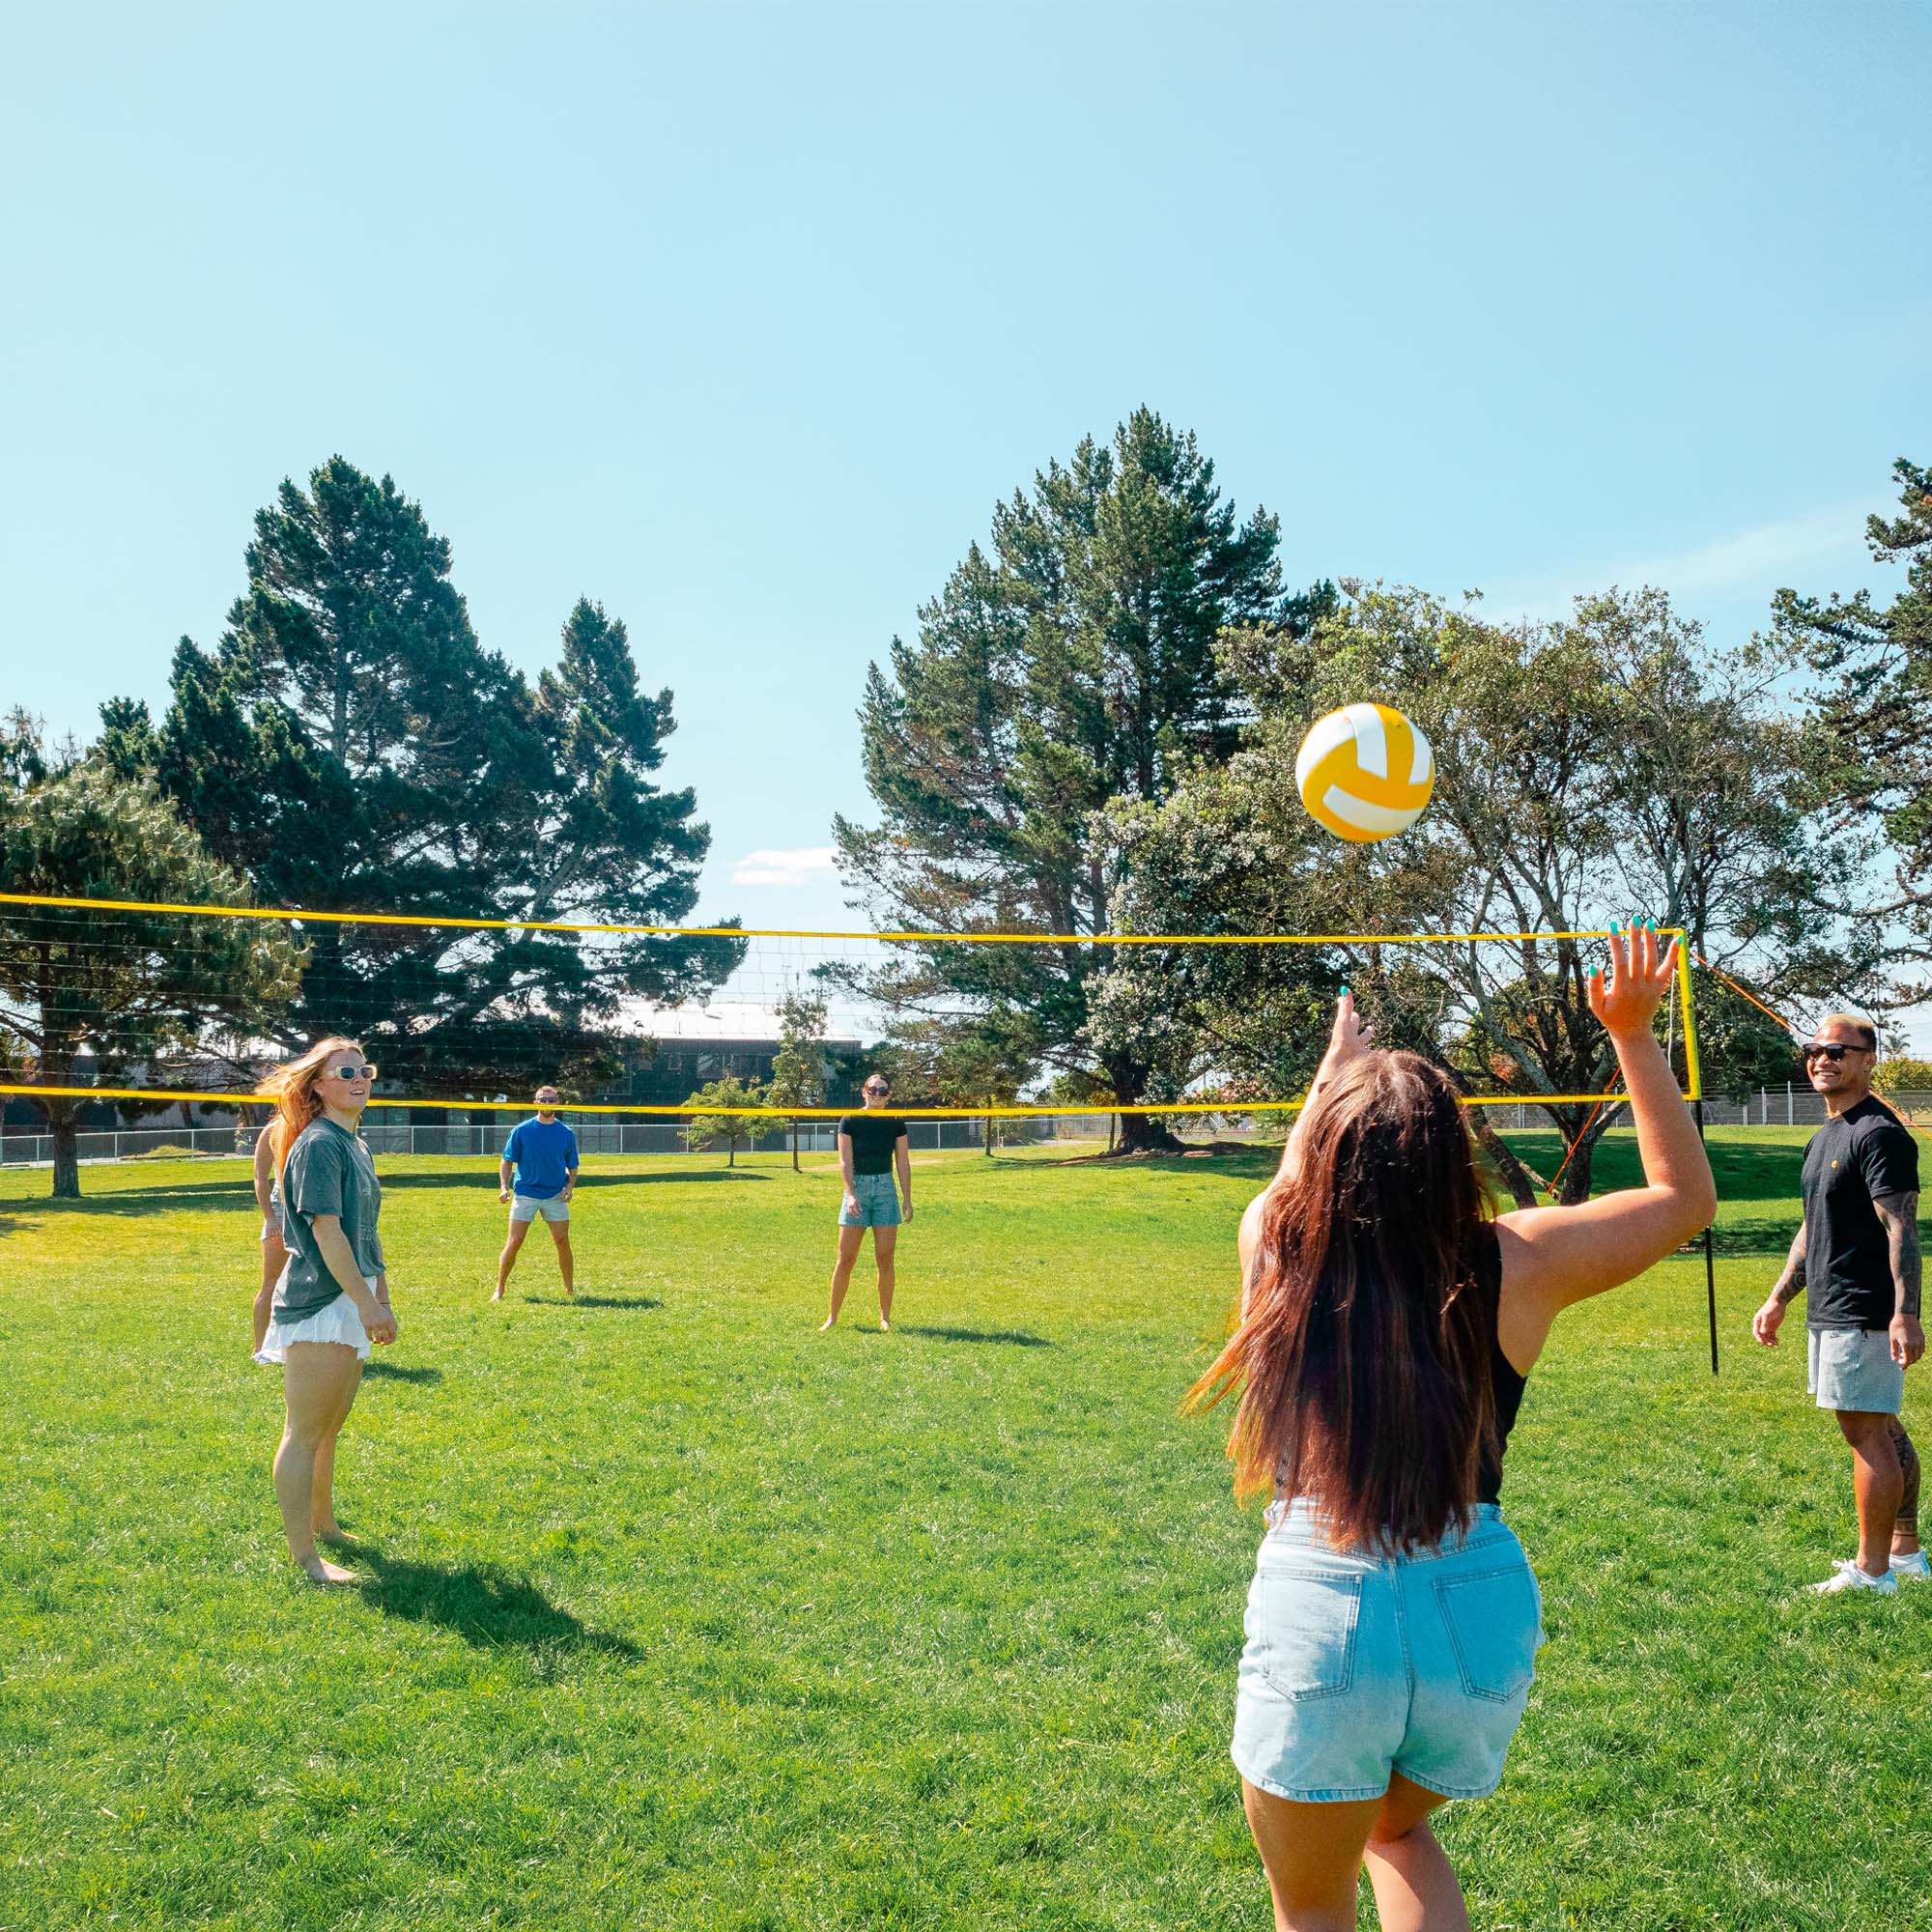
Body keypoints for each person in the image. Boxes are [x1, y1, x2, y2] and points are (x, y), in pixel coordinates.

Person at [1192, 927, 1715, 1932]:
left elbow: (1295, 1179)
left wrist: (1332, 1074)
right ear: (1452, 1153)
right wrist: (1634, 1035)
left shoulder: (1275, 1250)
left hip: (1324, 1594)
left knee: (1311, 1906)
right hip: (1474, 1598)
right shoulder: (1518, 1259)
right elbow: (1680, 1198)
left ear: (1331, 1149)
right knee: (1394, 1833)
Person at [1751, 1013, 1926, 1592]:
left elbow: (1901, 1225)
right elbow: (1812, 1226)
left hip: (1864, 1308)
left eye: (1838, 1051)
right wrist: (1779, 1297)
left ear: (1868, 1059)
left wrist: (1905, 1314)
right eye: (1814, 1050)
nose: (1822, 1059)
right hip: (1830, 1304)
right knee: (1882, 1425)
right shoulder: (1826, 1134)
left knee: (1865, 1432)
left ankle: (1872, 1573)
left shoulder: (1877, 1132)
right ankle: (1904, 1553)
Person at [253, 1037, 397, 1585]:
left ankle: (325, 1525)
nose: (360, 1080)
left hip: (349, 1296)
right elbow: (326, 1228)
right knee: (305, 1431)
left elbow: (367, 1231)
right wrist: (365, 1304)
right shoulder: (318, 1144)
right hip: (321, 1300)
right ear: (317, 1085)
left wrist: (379, 1294)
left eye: (366, 1071)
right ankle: (306, 1559)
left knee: (330, 1427)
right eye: (345, 1072)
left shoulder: (355, 1144)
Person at [820, 1072, 913, 1331]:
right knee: (845, 1258)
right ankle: (833, 1317)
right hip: (858, 1188)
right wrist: (850, 1193)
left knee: (885, 1258)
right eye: (873, 1089)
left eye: (883, 1091)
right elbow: (844, 1160)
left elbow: (903, 1162)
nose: (877, 1094)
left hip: (885, 1188)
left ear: (889, 1096)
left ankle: (885, 1317)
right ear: (864, 1092)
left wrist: (907, 1199)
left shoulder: (896, 1122)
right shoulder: (850, 1120)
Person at [494, 1085, 579, 1301]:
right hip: (525, 1194)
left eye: (551, 1100)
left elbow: (573, 1165)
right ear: (535, 1102)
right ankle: (499, 1290)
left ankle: (569, 1290)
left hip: (554, 1195)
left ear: (557, 1103)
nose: (547, 1103)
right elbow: (507, 1160)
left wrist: (569, 1188)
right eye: (543, 1099)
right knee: (515, 1241)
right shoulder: (521, 1130)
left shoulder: (566, 1133)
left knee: (562, 1240)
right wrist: (504, 1186)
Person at [250, 1114, 288, 1355]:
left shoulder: (322, 1124)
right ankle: (260, 1349)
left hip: (315, 1210)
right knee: (271, 1284)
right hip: (282, 1211)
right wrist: (270, 1218)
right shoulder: (274, 1130)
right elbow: (260, 1178)